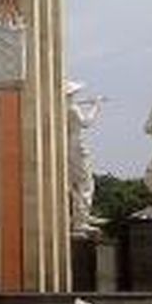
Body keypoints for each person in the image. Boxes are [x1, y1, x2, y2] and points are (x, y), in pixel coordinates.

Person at [66, 81, 105, 231]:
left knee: (77, 183)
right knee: (85, 183)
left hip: (72, 145)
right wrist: (96, 106)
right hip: (77, 146)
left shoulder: (65, 108)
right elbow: (86, 123)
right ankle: (81, 219)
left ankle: (82, 214)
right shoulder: (73, 108)